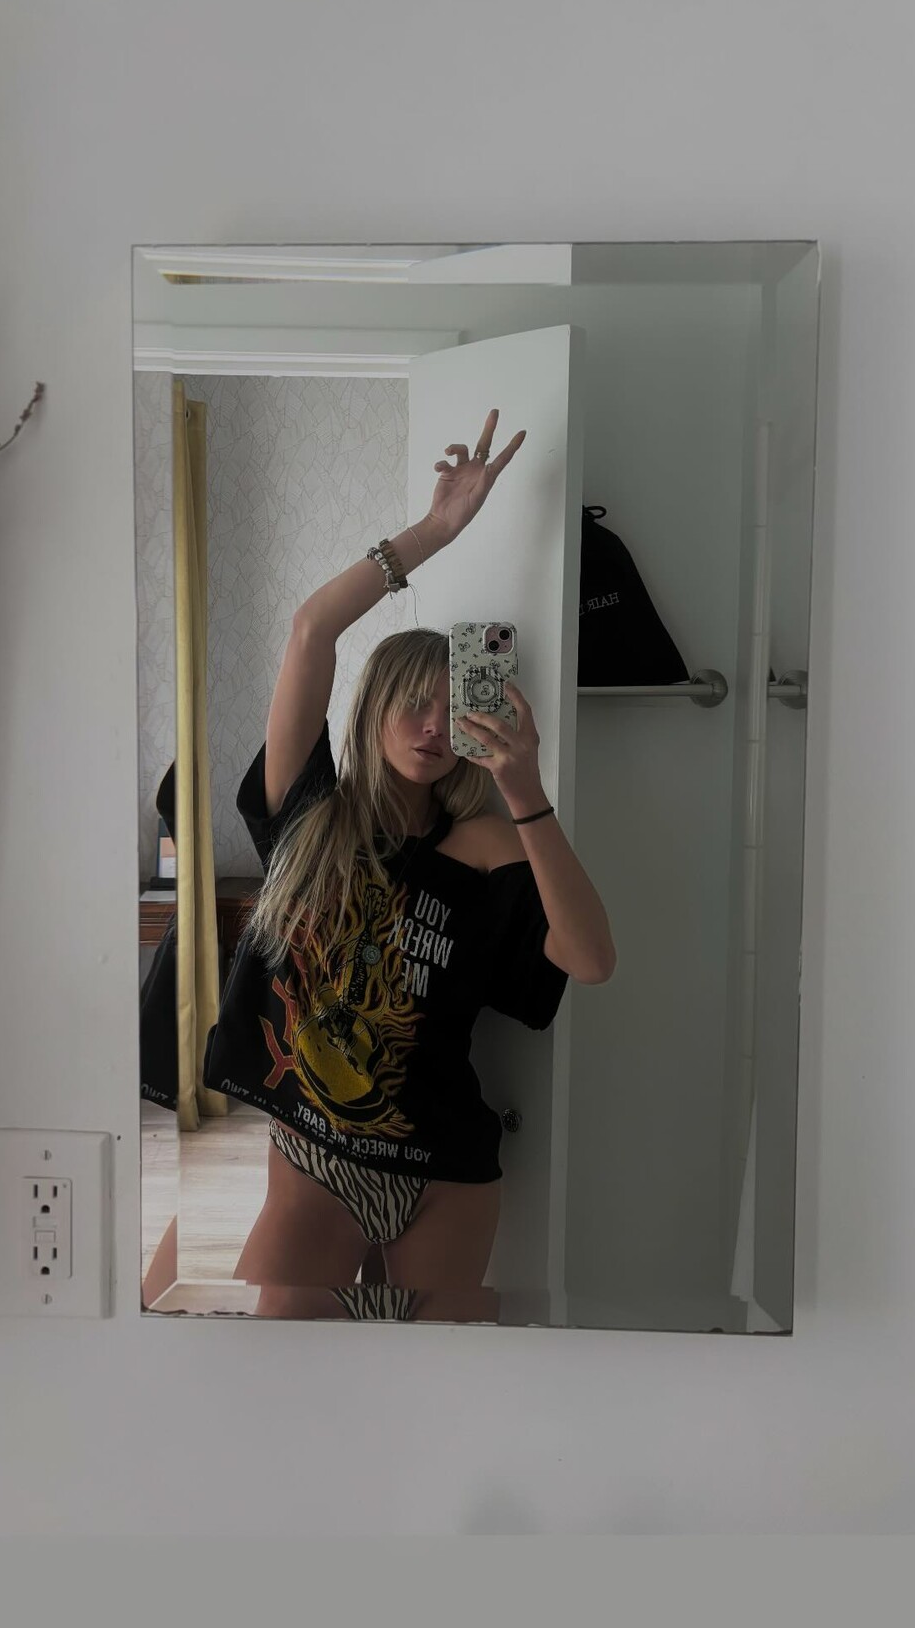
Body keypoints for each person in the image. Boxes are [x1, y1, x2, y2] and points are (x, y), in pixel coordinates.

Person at [201, 408, 617, 1304]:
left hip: (446, 1171)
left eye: (451, 706)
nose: (432, 726)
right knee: (277, 1364)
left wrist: (524, 787)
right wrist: (435, 531)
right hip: (316, 1157)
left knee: (443, 1379)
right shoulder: (310, 814)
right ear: (373, 707)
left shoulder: (488, 844)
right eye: (412, 703)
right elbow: (311, 631)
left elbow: (591, 961)